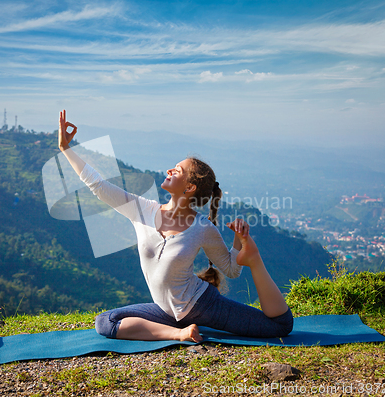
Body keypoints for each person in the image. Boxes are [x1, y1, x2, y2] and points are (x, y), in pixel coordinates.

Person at [58, 110, 293, 343]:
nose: (170, 170)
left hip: (202, 305)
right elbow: (98, 186)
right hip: (167, 314)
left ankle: (256, 260)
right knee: (106, 322)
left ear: (189, 187)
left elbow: (232, 269)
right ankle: (180, 333)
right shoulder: (143, 210)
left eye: (177, 170)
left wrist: (240, 246)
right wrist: (66, 149)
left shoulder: (201, 228)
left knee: (280, 326)